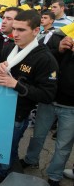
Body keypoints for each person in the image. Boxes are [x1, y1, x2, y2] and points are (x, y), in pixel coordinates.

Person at [0, 10, 59, 186]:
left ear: (36, 31)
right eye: (15, 29)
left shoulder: (45, 58)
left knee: (7, 147)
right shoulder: (9, 48)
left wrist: (16, 84)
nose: (16, 33)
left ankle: (2, 172)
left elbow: (48, 95)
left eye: (21, 30)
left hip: (18, 114)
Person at [20, 30, 74, 186]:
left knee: (63, 144)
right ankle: (31, 160)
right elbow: (42, 58)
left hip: (71, 107)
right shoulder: (60, 35)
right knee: (38, 135)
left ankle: (55, 176)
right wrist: (59, 50)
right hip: (49, 101)